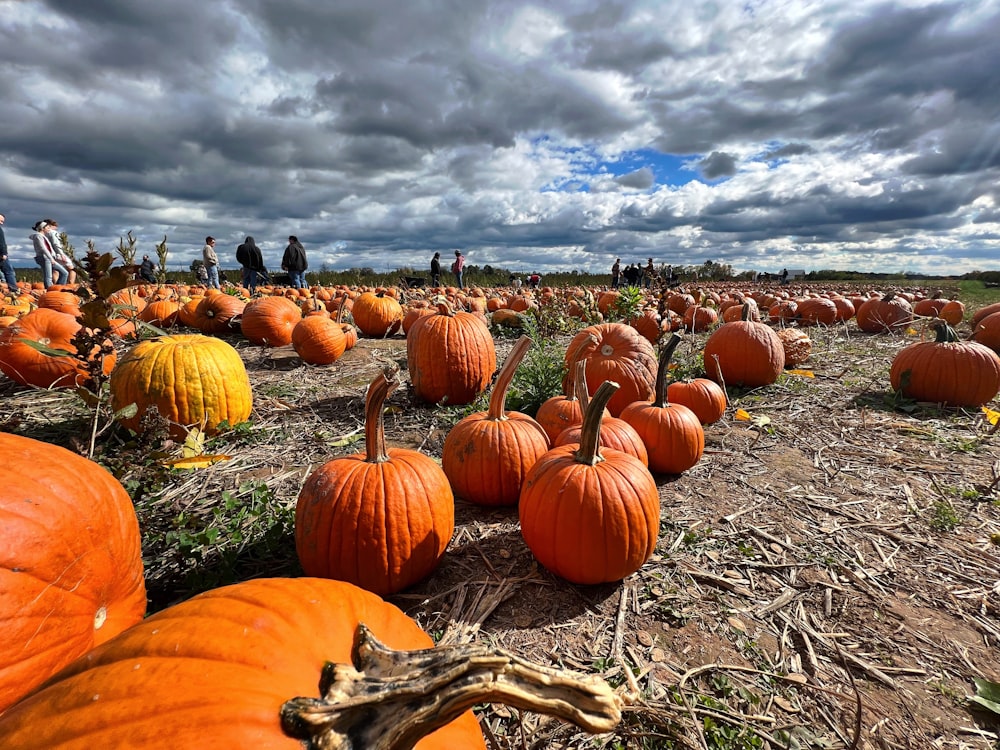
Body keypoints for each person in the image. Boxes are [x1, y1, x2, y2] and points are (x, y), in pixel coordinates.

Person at [30, 221, 66, 289]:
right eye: (47, 227)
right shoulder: (38, 236)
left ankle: (57, 289)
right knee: (48, 276)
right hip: (45, 258)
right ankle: (50, 291)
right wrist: (51, 258)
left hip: (49, 258)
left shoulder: (43, 236)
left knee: (64, 273)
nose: (49, 228)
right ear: (42, 228)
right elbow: (43, 248)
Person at [43, 219, 74, 285]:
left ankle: (56, 286)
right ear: (50, 225)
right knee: (71, 269)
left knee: (55, 270)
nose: (56, 228)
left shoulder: (44, 233)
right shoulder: (53, 232)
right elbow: (56, 243)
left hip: (49, 254)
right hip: (57, 253)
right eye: (55, 226)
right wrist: (61, 254)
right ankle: (71, 284)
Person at [0, 213, 16, 294]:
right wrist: (4, 253)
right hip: (1, 255)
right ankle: (13, 290)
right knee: (9, 271)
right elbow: (1, 242)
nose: (1, 223)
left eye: (2, 221)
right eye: (0, 221)